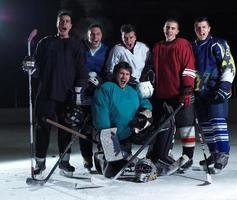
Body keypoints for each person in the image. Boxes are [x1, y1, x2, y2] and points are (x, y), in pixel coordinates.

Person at [31, 11, 88, 177]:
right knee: (42, 128)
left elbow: (81, 70)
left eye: (67, 21)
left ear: (70, 25)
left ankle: (64, 163)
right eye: (61, 21)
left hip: (67, 95)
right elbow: (37, 67)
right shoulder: (45, 42)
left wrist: (78, 91)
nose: (64, 23)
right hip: (46, 94)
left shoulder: (76, 45)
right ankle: (40, 164)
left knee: (67, 129)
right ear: (57, 24)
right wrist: (32, 69)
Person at [149, 19, 196, 174]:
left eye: (173, 28)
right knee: (164, 127)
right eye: (167, 28)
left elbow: (189, 66)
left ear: (177, 31)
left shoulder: (182, 44)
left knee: (186, 125)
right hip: (163, 95)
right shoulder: (157, 47)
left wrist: (188, 88)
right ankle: (164, 154)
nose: (169, 30)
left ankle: (188, 157)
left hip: (180, 94)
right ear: (163, 29)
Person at [91, 61, 154, 179]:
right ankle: (102, 157)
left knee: (158, 130)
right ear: (115, 74)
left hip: (129, 135)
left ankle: (155, 159)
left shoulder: (133, 90)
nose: (124, 77)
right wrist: (109, 141)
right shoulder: (106, 89)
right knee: (114, 172)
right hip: (109, 135)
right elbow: (101, 118)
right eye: (121, 73)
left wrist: (144, 114)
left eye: (127, 74)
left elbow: (146, 104)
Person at [192, 17, 236, 172]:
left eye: (204, 27)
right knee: (206, 126)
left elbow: (228, 64)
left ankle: (223, 153)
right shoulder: (192, 47)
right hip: (200, 93)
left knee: (217, 124)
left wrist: (224, 86)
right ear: (195, 29)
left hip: (215, 91)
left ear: (209, 28)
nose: (201, 30)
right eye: (198, 28)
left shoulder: (217, 43)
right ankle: (214, 153)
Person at [79, 23, 109, 172]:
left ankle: (109, 155)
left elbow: (109, 70)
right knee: (85, 127)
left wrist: (100, 81)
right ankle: (87, 158)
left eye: (97, 34)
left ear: (101, 36)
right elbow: (76, 68)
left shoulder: (106, 50)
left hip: (100, 93)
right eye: (92, 34)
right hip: (84, 92)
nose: (94, 37)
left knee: (104, 124)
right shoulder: (81, 48)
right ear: (87, 35)